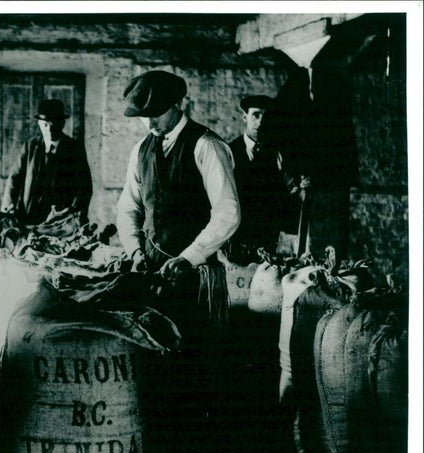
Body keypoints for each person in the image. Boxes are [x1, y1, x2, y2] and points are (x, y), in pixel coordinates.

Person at [116, 69, 240, 335]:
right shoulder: (141, 150)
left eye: (156, 114)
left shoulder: (206, 146)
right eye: (143, 117)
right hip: (151, 275)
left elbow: (227, 213)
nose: (149, 124)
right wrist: (135, 252)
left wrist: (189, 258)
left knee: (194, 355)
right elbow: (129, 207)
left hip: (195, 276)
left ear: (178, 105)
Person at [227, 94, 309, 262]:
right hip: (236, 243)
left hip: (271, 243)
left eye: (267, 116)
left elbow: (291, 195)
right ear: (245, 117)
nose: (261, 121)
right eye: (256, 114)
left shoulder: (281, 155)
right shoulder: (228, 152)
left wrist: (301, 187)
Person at [2, 99, 93, 227]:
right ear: (39, 124)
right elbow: (14, 179)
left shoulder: (74, 148)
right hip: (28, 218)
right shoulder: (30, 146)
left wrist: (72, 214)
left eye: (53, 124)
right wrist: (9, 207)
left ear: (62, 123)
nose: (49, 130)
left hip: (59, 222)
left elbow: (84, 187)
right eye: (45, 125)